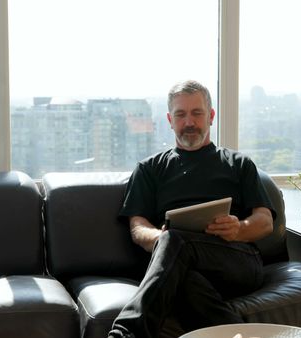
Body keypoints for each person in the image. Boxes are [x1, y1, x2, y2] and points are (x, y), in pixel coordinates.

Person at [109, 80, 275, 338]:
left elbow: (265, 221)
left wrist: (239, 228)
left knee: (177, 243)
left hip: (236, 259)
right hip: (177, 263)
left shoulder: (239, 163)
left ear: (210, 116)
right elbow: (137, 226)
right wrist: (159, 238)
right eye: (180, 114)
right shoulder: (149, 169)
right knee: (183, 275)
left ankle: (124, 334)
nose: (189, 122)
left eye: (197, 113)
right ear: (169, 119)